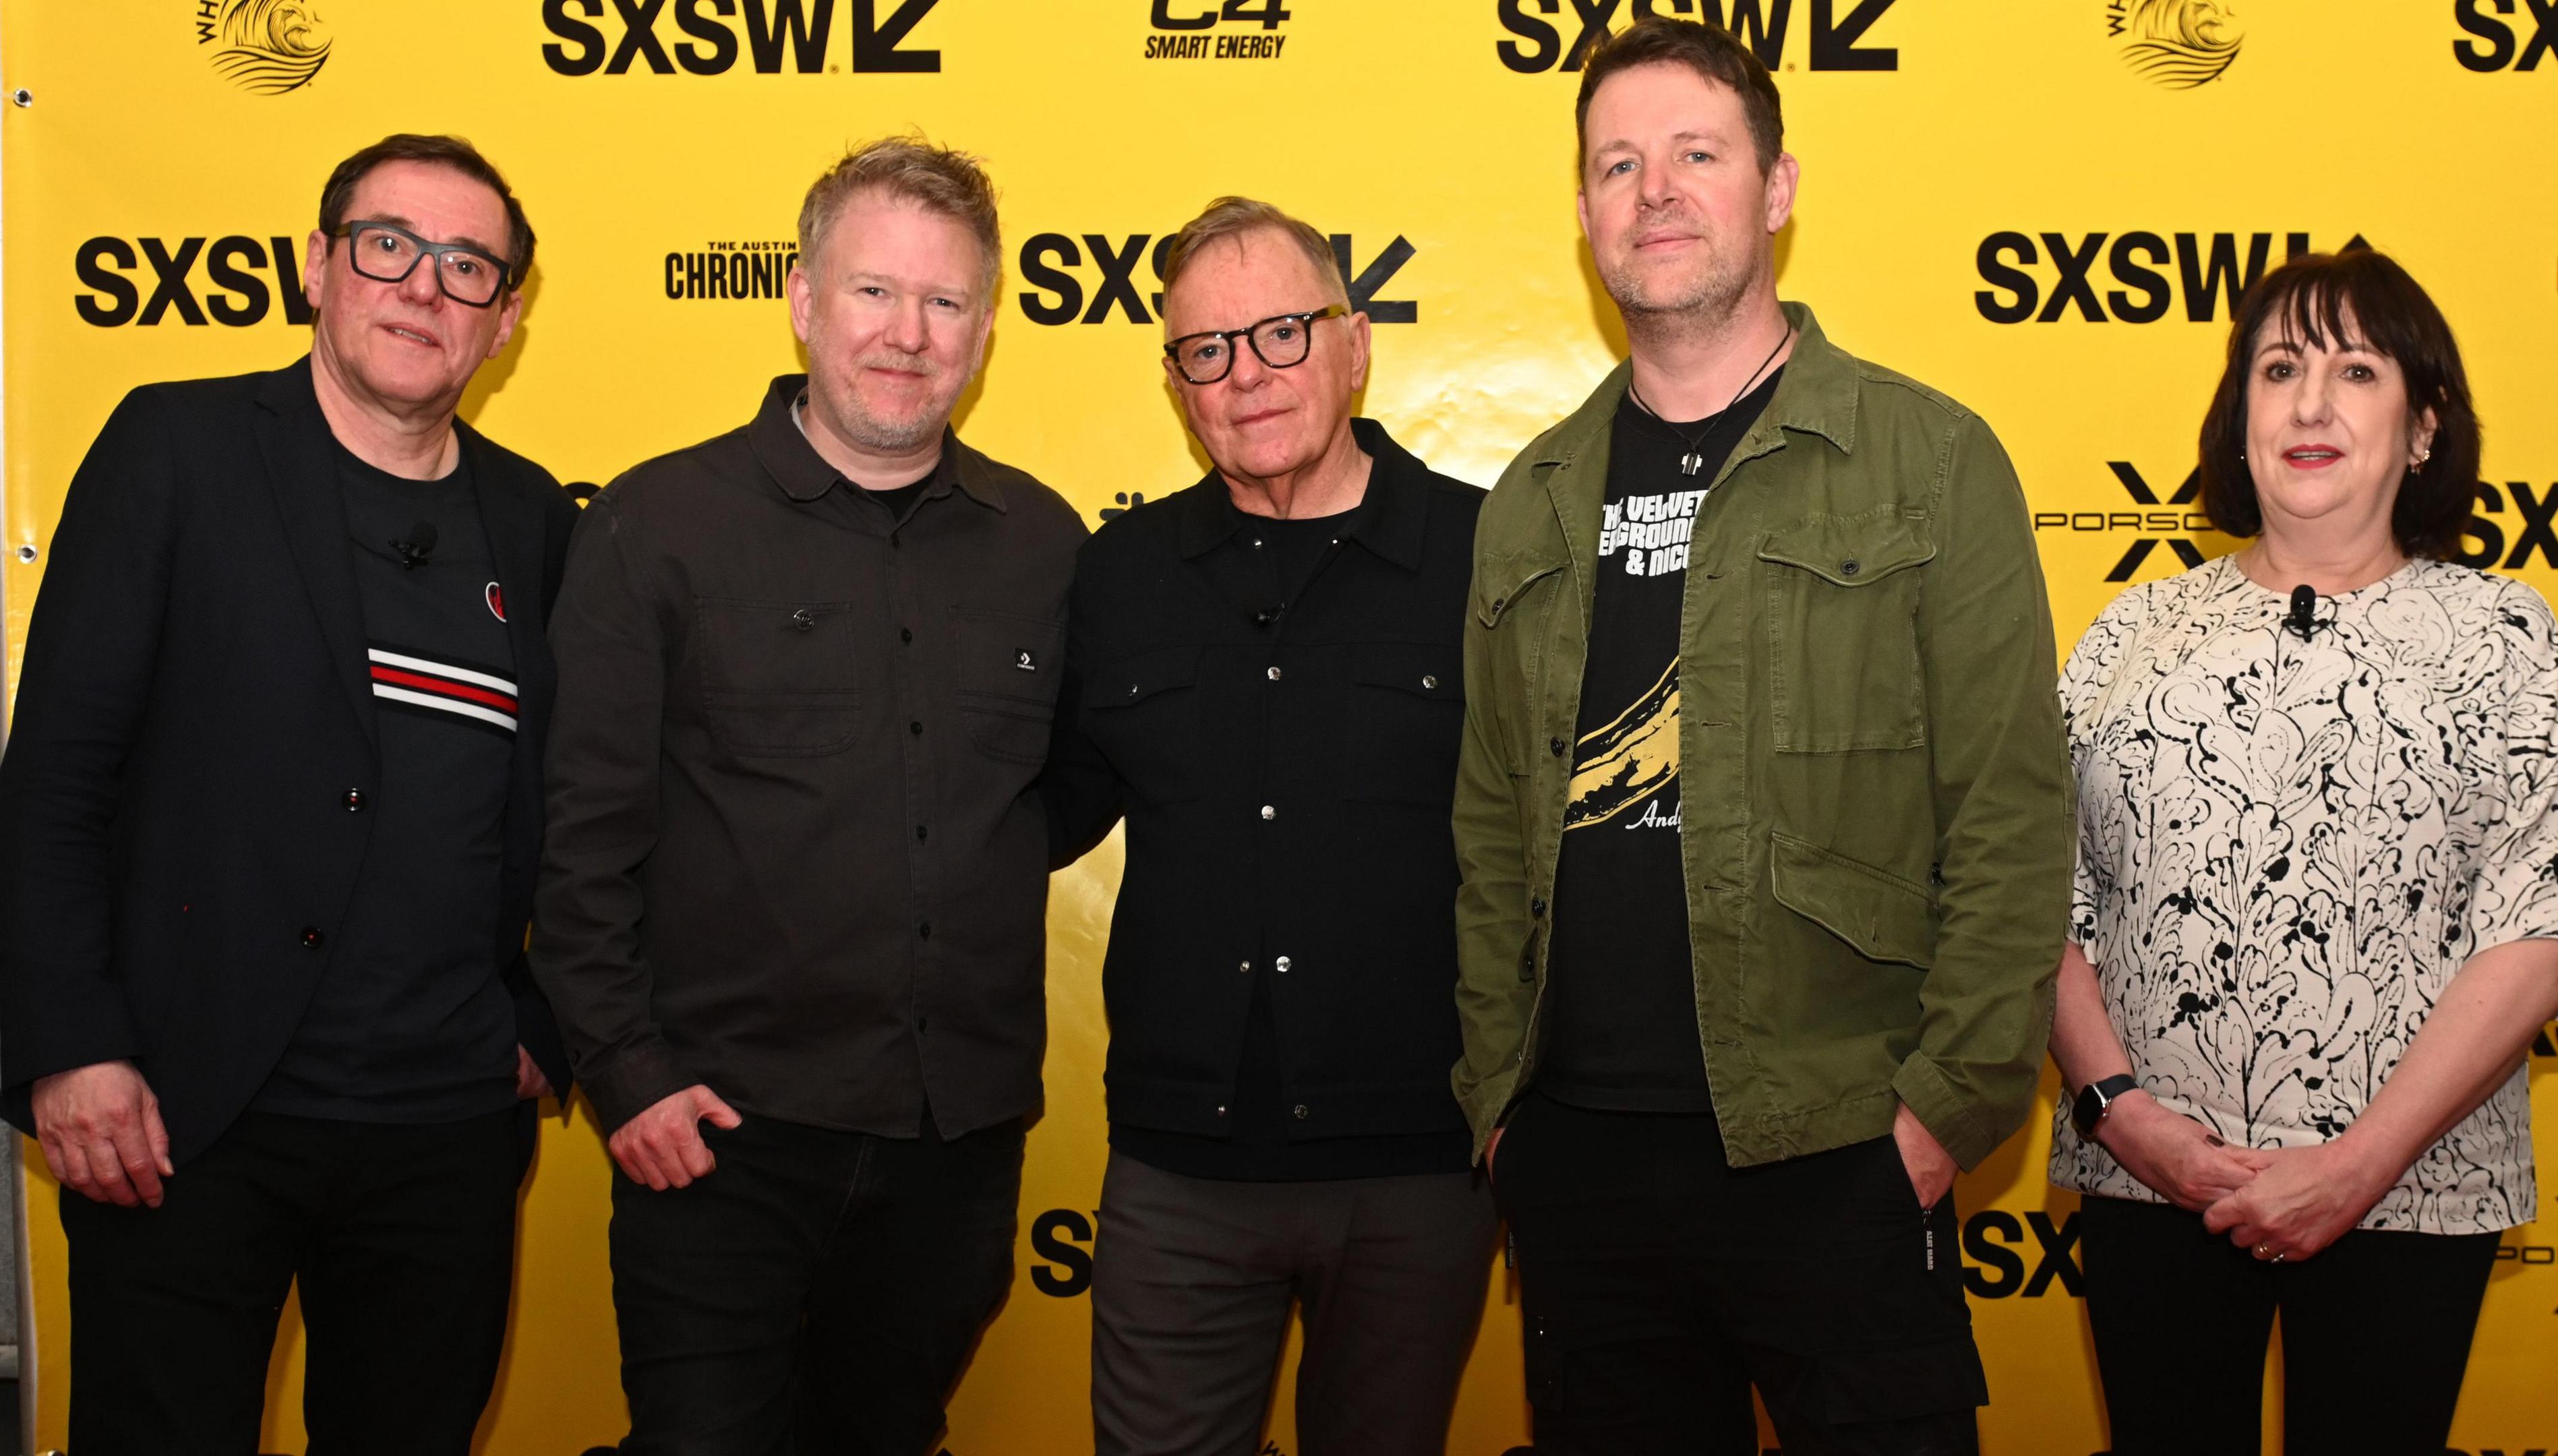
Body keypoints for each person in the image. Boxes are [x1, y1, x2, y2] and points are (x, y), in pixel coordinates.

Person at [1452, 18, 2073, 1453]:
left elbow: (2009, 814)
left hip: (1841, 1147)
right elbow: (1490, 829)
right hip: (1580, 1166)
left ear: (1777, 187)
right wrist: (1501, 1110)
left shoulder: (1930, 459)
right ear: (1587, 210)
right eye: (1617, 163)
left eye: (1694, 153)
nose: (1653, 188)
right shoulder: (1533, 497)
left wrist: (1938, 1120)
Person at [0, 133, 572, 1454]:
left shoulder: (538, 519)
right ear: (318, 268)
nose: (423, 287)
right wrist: (71, 1046)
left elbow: (569, 802)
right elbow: (57, 774)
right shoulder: (177, 448)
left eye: (467, 267)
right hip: (184, 1117)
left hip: (447, 1129)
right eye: (388, 246)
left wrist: (543, 1018)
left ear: (505, 322)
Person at [531, 136, 1084, 1455]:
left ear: (988, 327)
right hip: (718, 1141)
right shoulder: (658, 524)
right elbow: (578, 838)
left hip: (950, 1150)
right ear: (800, 300)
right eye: (874, 293)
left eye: (946, 302)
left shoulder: (1046, 545)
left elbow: (1051, 797)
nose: (909, 334)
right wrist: (628, 1074)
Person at [2050, 247, 2558, 1456]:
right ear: (2236, 419)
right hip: (2155, 1184)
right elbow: (2041, 900)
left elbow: (2541, 922)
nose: (2308, 403)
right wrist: (2123, 1118)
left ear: (2422, 427)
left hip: (2412, 1189)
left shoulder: (2500, 632)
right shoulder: (2135, 629)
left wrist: (2360, 1162)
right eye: (2277, 367)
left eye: (2356, 370)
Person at [1042, 198, 1495, 1456]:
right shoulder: (1118, 574)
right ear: (1177, 383)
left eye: (1284, 334)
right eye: (1209, 349)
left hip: (1420, 1167)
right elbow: (1031, 810)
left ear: (1354, 344)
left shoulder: (1485, 558)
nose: (1248, 376)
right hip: (1180, 1171)